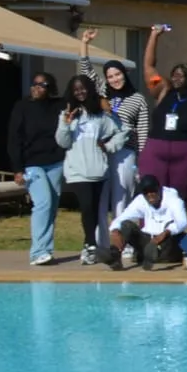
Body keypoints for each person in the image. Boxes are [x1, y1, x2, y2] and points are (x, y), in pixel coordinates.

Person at [78, 35, 149, 255]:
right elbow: (85, 69)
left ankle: (125, 242)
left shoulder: (137, 99)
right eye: (110, 76)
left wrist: (141, 160)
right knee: (101, 201)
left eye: (118, 74)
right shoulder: (101, 93)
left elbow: (144, 131)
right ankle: (102, 243)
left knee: (122, 201)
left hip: (125, 154)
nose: (115, 79)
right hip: (100, 153)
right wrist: (84, 44)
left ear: (124, 74)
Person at [56, 74, 127, 265]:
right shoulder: (67, 115)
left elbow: (122, 131)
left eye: (83, 88)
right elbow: (62, 142)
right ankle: (89, 245)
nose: (80, 92)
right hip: (77, 171)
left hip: (98, 170)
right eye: (75, 89)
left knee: (95, 211)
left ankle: (92, 245)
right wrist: (66, 124)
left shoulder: (100, 116)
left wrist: (109, 146)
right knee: (86, 207)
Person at [138, 25, 187, 204]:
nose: (177, 79)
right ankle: (148, 231)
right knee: (150, 194)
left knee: (177, 200)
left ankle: (174, 232)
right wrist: (154, 35)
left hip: (185, 153)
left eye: (182, 76)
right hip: (156, 150)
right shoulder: (163, 89)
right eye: (174, 75)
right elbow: (149, 66)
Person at [10, 70, 68, 266]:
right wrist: (17, 169)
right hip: (31, 164)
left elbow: (82, 89)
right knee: (42, 203)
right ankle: (37, 252)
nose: (36, 88)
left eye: (41, 85)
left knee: (51, 208)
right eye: (34, 84)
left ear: (49, 88)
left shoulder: (58, 105)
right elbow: (14, 139)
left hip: (55, 163)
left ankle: (46, 250)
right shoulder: (22, 107)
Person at [107, 174, 187, 270]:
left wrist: (165, 233)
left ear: (159, 189)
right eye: (146, 193)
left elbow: (182, 222)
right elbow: (122, 217)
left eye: (153, 191)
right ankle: (115, 257)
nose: (150, 195)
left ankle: (149, 257)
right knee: (126, 225)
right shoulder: (141, 200)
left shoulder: (173, 199)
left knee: (171, 231)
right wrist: (115, 230)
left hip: (167, 243)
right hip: (148, 240)